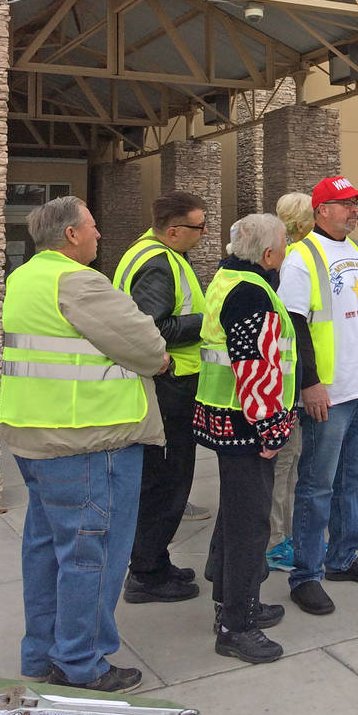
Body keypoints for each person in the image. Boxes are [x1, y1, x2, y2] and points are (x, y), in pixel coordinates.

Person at [0, 196, 168, 692]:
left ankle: (40, 654)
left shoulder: (26, 277)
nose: (98, 234)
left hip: (36, 436)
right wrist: (156, 360)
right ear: (71, 234)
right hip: (92, 441)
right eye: (93, 226)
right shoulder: (79, 282)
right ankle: (81, 663)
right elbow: (149, 346)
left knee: (47, 550)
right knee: (91, 555)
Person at [278, 176, 358, 616]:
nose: (352, 210)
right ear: (322, 210)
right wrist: (309, 382)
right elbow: (295, 324)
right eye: (345, 204)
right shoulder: (302, 257)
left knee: (350, 480)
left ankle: (343, 556)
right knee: (316, 484)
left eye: (354, 203)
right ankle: (306, 574)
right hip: (330, 389)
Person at [195, 214, 296, 663]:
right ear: (269, 254)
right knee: (249, 523)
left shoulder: (226, 276)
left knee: (234, 516)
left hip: (225, 417)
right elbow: (254, 368)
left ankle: (232, 599)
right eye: (285, 246)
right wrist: (271, 428)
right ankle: (237, 624)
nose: (287, 253)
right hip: (246, 424)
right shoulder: (253, 292)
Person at [113, 192, 208, 604]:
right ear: (173, 230)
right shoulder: (158, 263)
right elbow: (151, 327)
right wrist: (206, 321)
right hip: (169, 386)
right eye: (198, 227)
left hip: (162, 383)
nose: (204, 234)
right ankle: (147, 573)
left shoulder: (146, 250)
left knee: (160, 479)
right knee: (167, 480)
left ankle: (153, 560)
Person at [264, 192, 314, 574]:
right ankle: (274, 541)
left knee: (293, 461)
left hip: (290, 386)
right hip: (279, 389)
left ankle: (286, 534)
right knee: (282, 466)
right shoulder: (286, 267)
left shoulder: (294, 261)